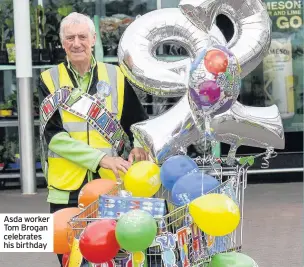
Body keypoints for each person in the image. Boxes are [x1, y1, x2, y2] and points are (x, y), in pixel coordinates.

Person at [38, 12, 149, 266]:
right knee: (70, 259)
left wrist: (140, 147)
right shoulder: (48, 79)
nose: (76, 43)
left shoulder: (116, 76)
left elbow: (137, 122)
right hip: (67, 189)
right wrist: (101, 159)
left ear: (93, 39)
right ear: (62, 42)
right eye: (70, 38)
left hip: (109, 188)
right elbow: (53, 136)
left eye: (82, 37)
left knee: (113, 256)